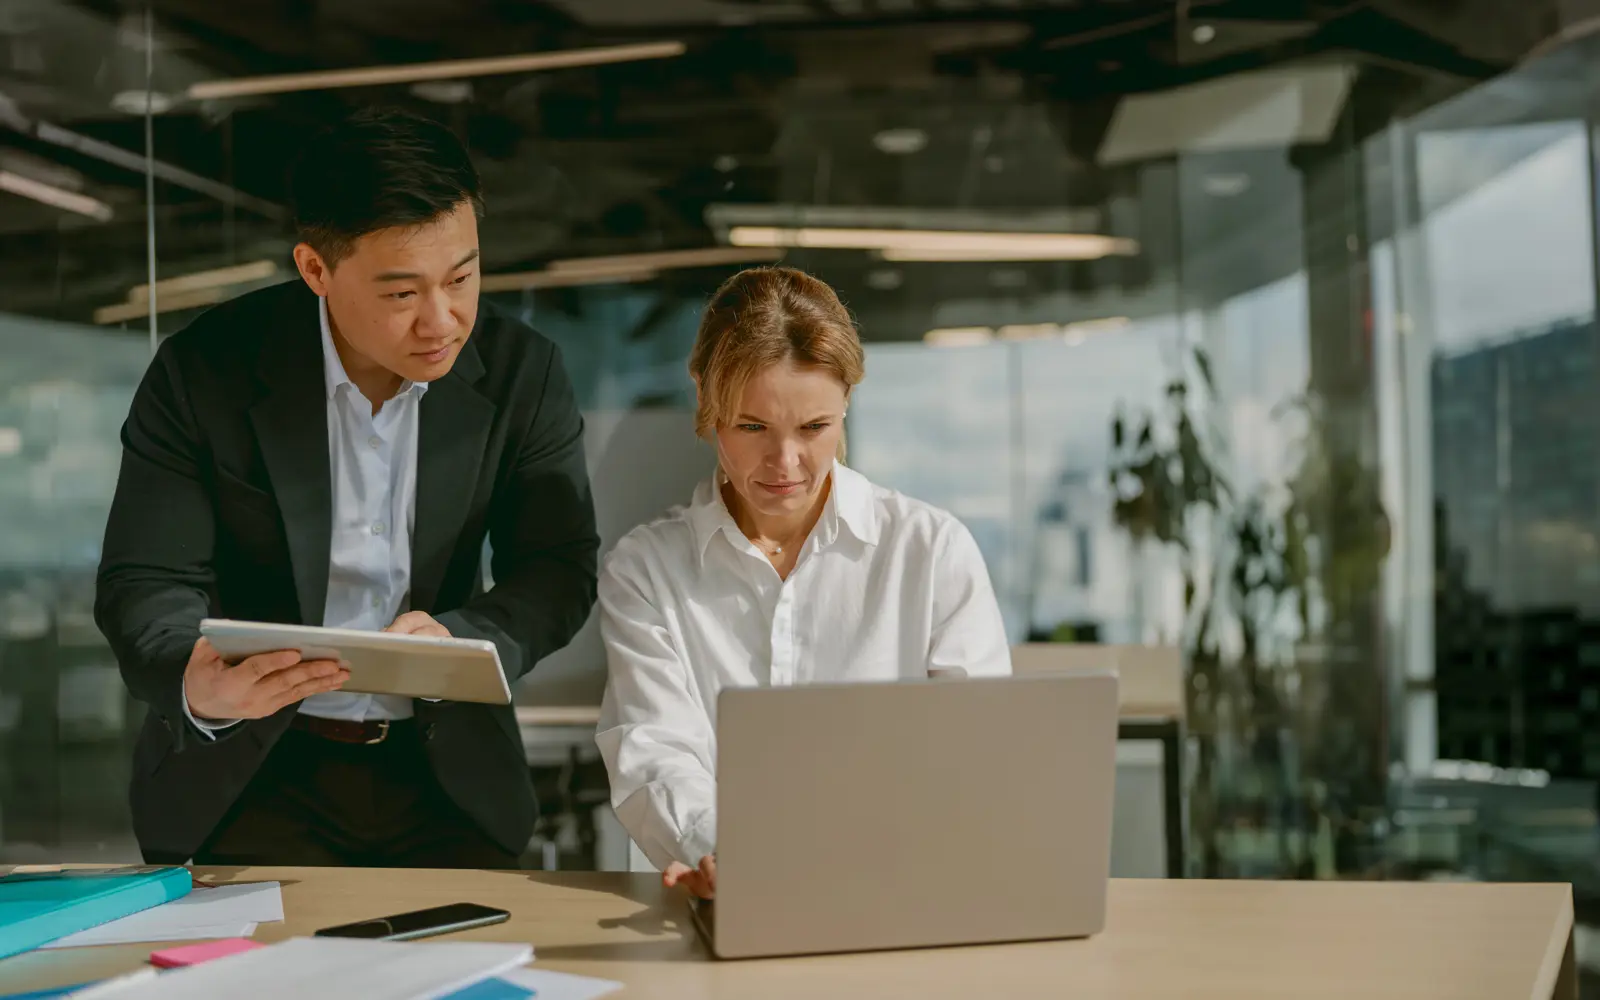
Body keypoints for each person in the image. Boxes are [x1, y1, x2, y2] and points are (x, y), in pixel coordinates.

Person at [95, 107, 600, 868]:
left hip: (447, 781)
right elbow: (146, 578)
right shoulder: (207, 371)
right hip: (248, 779)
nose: (444, 321)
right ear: (315, 270)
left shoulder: (523, 372)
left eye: (462, 277)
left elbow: (557, 566)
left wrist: (468, 637)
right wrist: (195, 683)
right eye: (402, 295)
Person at [594, 266, 1011, 899]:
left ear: (847, 402)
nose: (785, 464)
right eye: (753, 427)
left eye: (814, 428)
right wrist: (731, 856)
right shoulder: (646, 570)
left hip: (899, 895)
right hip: (721, 899)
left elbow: (978, 757)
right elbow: (655, 757)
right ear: (704, 398)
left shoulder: (931, 552)